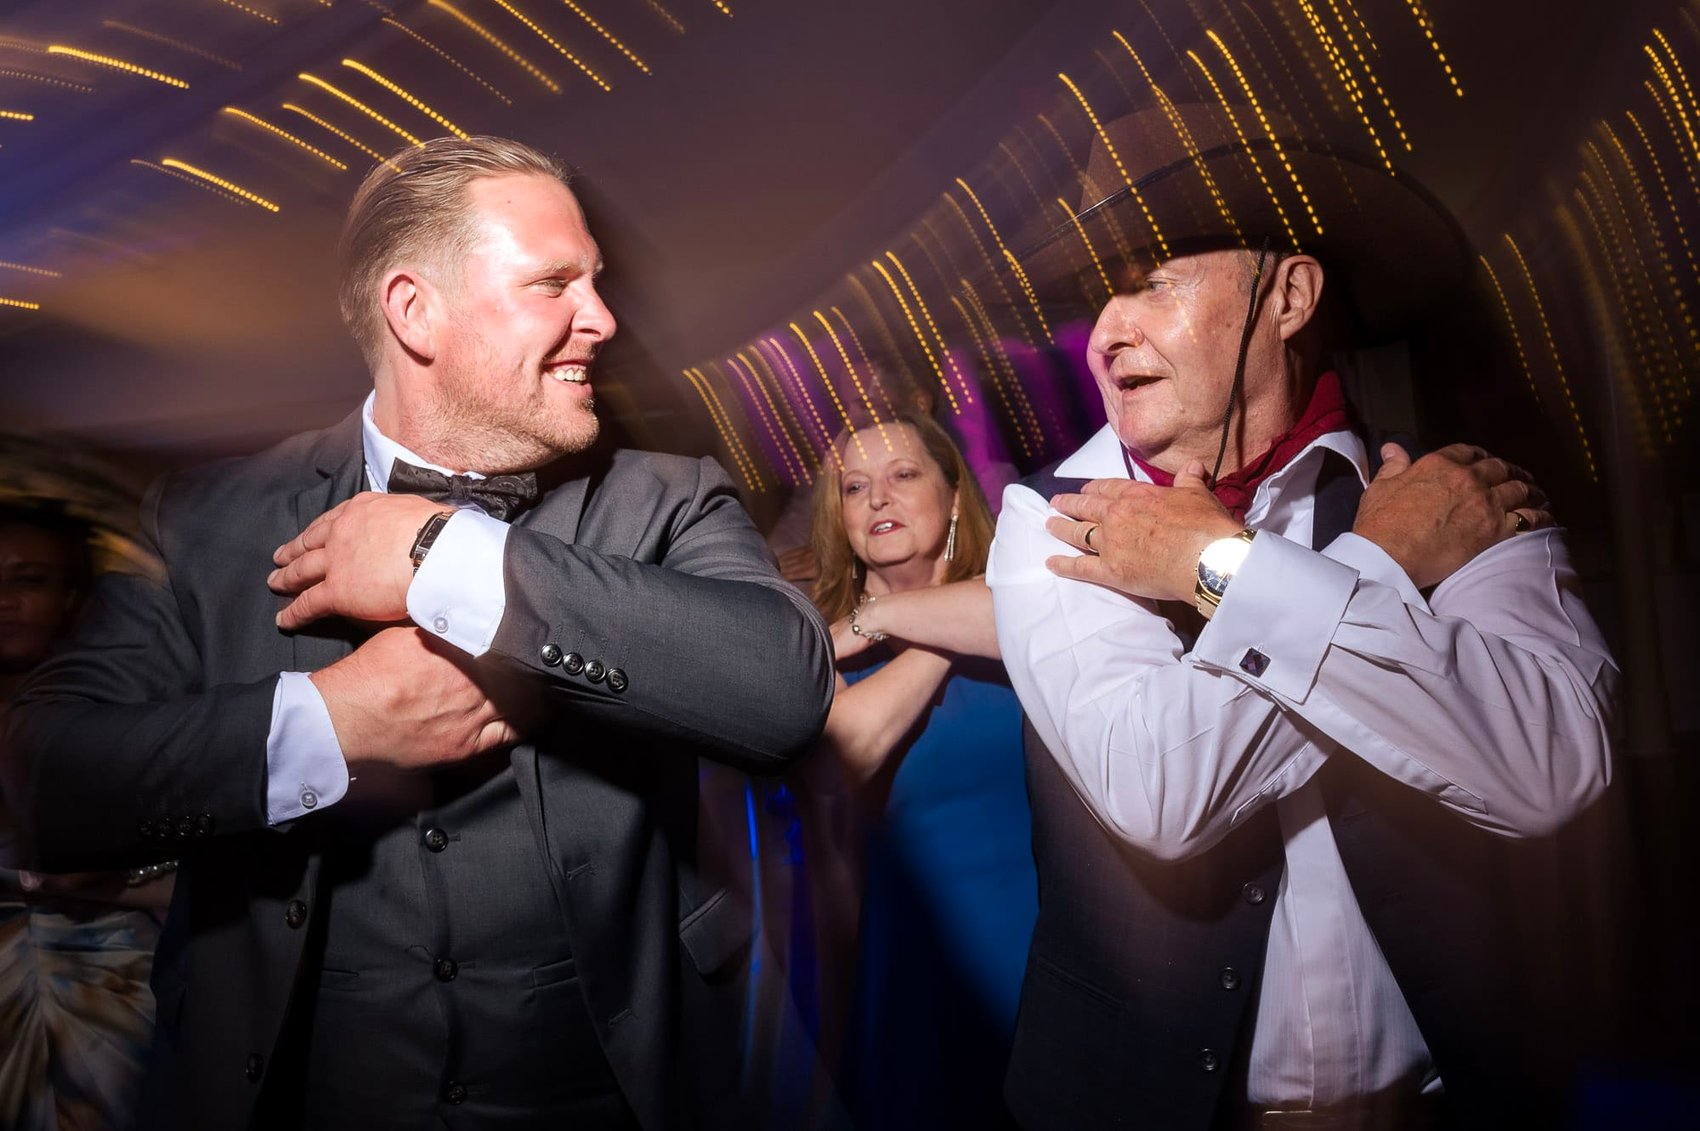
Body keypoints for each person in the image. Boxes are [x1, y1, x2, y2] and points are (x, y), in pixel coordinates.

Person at [2, 137, 834, 1130]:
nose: (602, 320)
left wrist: (444, 557)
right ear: (413, 310)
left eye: (597, 284)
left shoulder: (666, 496)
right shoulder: (207, 518)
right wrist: (331, 722)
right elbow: (40, 784)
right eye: (553, 282)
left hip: (611, 1090)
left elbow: (781, 688)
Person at [985, 105, 1618, 1128]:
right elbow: (1161, 793)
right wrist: (1379, 562)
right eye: (1093, 295)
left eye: (1148, 276)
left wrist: (1209, 569)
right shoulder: (1047, 514)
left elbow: (1550, 767)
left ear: (1286, 294)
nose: (1102, 334)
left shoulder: (1453, 492)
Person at [807, 407, 1037, 1130]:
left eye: (904, 474)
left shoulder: (1018, 598)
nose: (878, 498)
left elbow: (1018, 615)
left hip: (1054, 947)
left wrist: (893, 617)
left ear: (956, 495)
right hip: (921, 964)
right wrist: (931, 630)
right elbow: (853, 746)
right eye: (854, 487)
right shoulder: (815, 642)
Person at [0, 502, 171, 1131]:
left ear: (74, 596)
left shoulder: (130, 719)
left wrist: (110, 879)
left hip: (113, 986)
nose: (4, 600)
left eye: (29, 579)